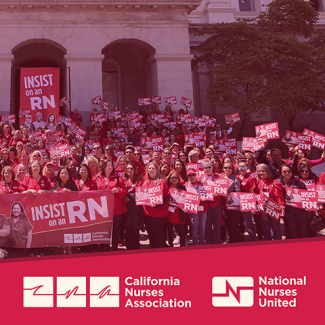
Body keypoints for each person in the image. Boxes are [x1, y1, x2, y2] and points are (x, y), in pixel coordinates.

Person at [96, 159, 127, 251]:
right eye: (108, 165)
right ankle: (105, 246)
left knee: (115, 228)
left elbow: (124, 190)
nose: (110, 167)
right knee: (105, 227)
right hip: (102, 208)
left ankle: (114, 247)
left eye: (111, 165)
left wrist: (118, 190)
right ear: (104, 167)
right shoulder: (98, 177)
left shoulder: (117, 177)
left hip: (115, 208)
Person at [142, 161, 170, 249]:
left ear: (157, 170)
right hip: (147, 213)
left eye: (153, 168)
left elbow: (167, 197)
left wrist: (156, 205)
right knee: (151, 235)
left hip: (158, 213)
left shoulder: (162, 181)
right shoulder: (145, 182)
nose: (151, 170)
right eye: (149, 168)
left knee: (158, 236)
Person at [278, 164, 309, 239]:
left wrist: (309, 205)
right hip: (288, 211)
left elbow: (306, 195)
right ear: (281, 173)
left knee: (303, 231)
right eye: (284, 172)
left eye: (289, 171)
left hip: (300, 211)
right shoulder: (279, 183)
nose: (287, 173)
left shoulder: (299, 183)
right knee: (291, 231)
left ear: (292, 172)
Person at [255, 164, 285, 240]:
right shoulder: (257, 182)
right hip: (263, 211)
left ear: (267, 171)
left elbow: (280, 197)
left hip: (273, 209)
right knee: (265, 231)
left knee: (276, 231)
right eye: (259, 171)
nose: (261, 173)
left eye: (263, 171)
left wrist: (282, 207)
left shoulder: (275, 183)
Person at [200, 159, 223, 244]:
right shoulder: (200, 179)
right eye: (205, 168)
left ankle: (217, 241)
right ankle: (209, 242)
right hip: (206, 205)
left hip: (217, 205)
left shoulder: (219, 177)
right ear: (203, 168)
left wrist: (217, 194)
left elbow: (223, 191)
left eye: (209, 167)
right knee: (207, 225)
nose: (208, 169)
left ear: (212, 167)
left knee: (217, 225)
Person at [123, 162, 143, 250]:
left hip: (135, 210)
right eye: (128, 168)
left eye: (131, 168)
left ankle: (135, 247)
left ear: (135, 171)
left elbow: (141, 195)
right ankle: (128, 246)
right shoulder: (123, 181)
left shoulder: (138, 182)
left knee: (134, 228)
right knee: (127, 228)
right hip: (125, 208)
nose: (129, 170)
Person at [165, 170, 188, 247]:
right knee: (170, 231)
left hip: (180, 213)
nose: (174, 179)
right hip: (169, 213)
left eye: (176, 177)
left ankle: (182, 246)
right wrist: (166, 202)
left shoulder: (183, 188)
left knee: (182, 232)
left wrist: (186, 208)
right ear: (169, 178)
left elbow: (187, 200)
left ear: (178, 178)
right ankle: (170, 244)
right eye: (172, 177)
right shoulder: (166, 187)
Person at [185, 168, 207, 245]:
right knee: (194, 228)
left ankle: (201, 243)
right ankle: (195, 244)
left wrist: (206, 198)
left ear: (196, 175)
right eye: (190, 175)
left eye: (193, 175)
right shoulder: (186, 186)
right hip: (193, 210)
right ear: (187, 176)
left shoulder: (202, 184)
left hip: (203, 209)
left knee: (202, 228)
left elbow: (208, 194)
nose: (192, 177)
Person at [237, 160, 257, 241]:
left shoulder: (250, 178)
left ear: (247, 168)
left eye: (244, 167)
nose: (242, 169)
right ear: (238, 167)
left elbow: (252, 193)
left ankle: (254, 240)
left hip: (247, 205)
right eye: (241, 167)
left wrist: (252, 207)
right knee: (240, 224)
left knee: (247, 224)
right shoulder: (236, 177)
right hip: (238, 205)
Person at [222, 161, 241, 243]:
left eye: (230, 168)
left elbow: (238, 192)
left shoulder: (235, 179)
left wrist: (229, 195)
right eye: (226, 168)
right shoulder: (221, 178)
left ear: (232, 169)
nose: (228, 169)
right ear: (223, 169)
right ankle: (228, 239)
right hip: (222, 204)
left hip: (232, 204)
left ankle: (236, 239)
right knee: (226, 222)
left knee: (233, 222)